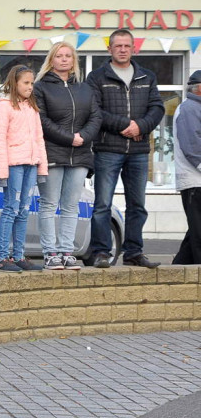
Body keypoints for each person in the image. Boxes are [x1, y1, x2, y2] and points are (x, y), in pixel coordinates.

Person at [85, 29, 165, 269]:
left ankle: (134, 252)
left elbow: (157, 108)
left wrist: (140, 126)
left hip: (139, 151)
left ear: (134, 48)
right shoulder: (96, 77)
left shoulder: (147, 76)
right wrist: (125, 126)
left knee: (137, 205)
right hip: (108, 149)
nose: (122, 50)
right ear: (109, 49)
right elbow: (95, 111)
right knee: (102, 205)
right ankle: (100, 252)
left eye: (126, 46)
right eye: (117, 46)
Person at [34, 43, 101, 271]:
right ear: (51, 60)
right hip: (53, 152)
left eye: (68, 56)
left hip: (80, 155)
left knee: (71, 206)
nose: (64, 60)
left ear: (74, 61)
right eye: (59, 56)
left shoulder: (85, 88)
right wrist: (69, 138)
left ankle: (66, 252)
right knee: (49, 204)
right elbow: (42, 120)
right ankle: (50, 253)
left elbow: (96, 117)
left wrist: (83, 137)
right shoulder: (40, 88)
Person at [0, 66, 48, 273]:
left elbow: (39, 139)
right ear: (15, 83)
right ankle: (3, 257)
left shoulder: (32, 107)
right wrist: (2, 173)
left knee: (24, 210)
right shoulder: (4, 106)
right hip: (13, 166)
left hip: (31, 164)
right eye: (26, 83)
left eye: (32, 83)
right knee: (11, 208)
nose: (30, 87)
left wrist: (42, 167)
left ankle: (19, 255)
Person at [172, 71, 201, 265]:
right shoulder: (189, 108)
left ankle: (176, 270)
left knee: (195, 232)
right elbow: (192, 147)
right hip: (195, 182)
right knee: (199, 234)